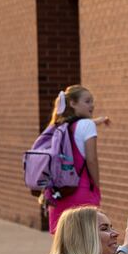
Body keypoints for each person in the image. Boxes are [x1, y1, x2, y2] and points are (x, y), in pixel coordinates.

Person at [44, 85, 110, 234]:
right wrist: (97, 185)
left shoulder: (60, 125)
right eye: (87, 101)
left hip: (59, 193)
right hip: (82, 191)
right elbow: (91, 159)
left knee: (65, 243)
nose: (92, 105)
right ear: (73, 103)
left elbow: (82, 126)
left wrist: (99, 120)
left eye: (92, 101)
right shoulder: (87, 125)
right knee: (87, 243)